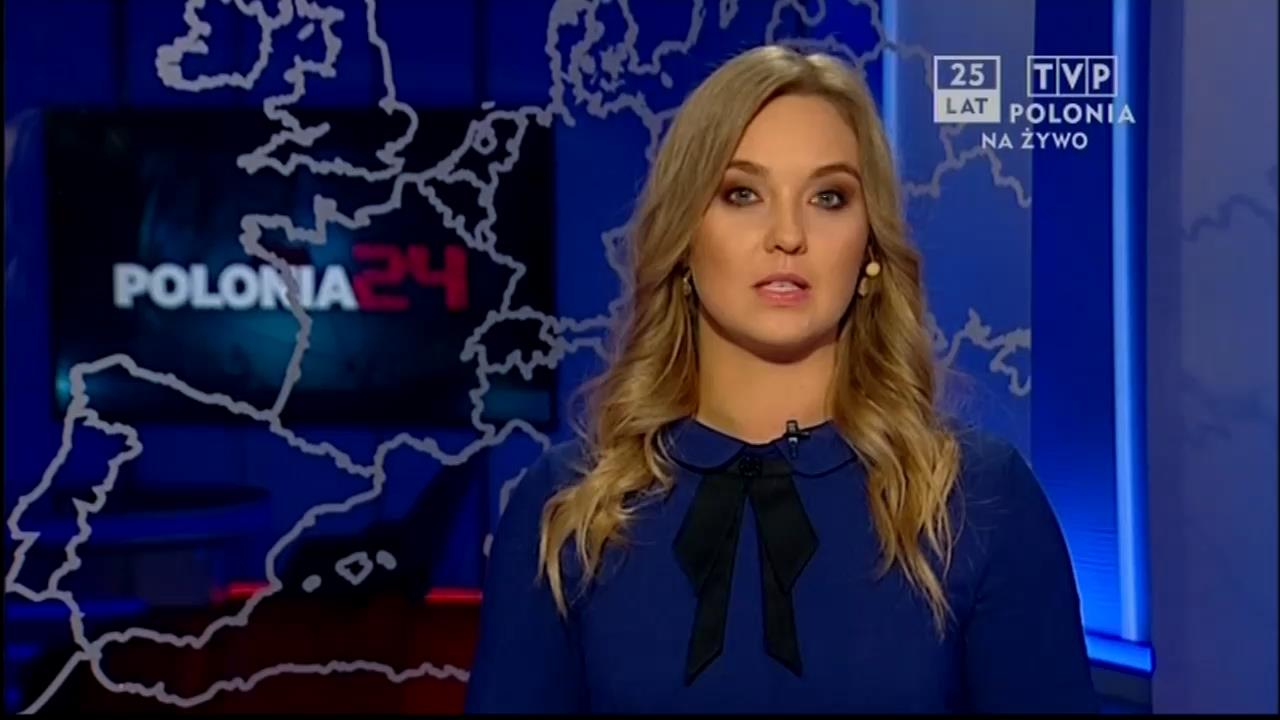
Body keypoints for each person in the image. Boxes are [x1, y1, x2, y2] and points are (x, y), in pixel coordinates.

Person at [464, 44, 1098, 714]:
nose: (788, 235)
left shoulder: (977, 502)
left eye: (829, 197)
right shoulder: (569, 511)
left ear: (870, 249)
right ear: (684, 237)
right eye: (742, 194)